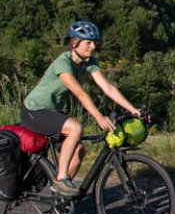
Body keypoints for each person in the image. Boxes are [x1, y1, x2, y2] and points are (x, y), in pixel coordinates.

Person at [20, 20, 140, 197]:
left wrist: (133, 110)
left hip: (52, 112)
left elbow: (107, 87)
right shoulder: (63, 62)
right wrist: (99, 117)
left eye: (95, 43)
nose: (93, 47)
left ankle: (61, 195)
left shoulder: (89, 62)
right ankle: (61, 179)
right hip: (34, 111)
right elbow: (79, 93)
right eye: (88, 42)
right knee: (75, 128)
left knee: (79, 151)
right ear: (75, 42)